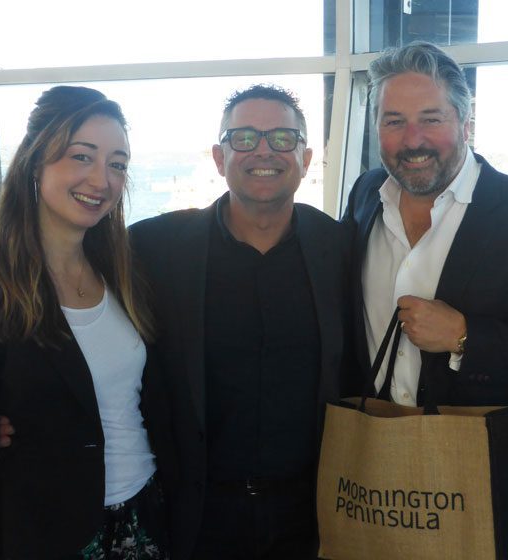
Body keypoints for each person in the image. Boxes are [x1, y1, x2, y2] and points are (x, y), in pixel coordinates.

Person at [342, 41, 508, 545]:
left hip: (483, 479)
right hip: (372, 468)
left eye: (431, 119)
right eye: (394, 121)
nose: (413, 139)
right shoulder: (366, 193)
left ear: (466, 122)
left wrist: (464, 337)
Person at [0, 86, 174, 559]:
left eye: (117, 164)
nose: (101, 179)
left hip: (145, 517)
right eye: (82, 156)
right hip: (50, 533)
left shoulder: (124, 272)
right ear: (36, 161)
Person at [128, 85, 350, 559]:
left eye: (282, 138)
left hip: (311, 515)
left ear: (306, 159)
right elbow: (66, 295)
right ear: (219, 157)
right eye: (244, 137)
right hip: (197, 514)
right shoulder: (153, 248)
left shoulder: (340, 248)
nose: (264, 150)